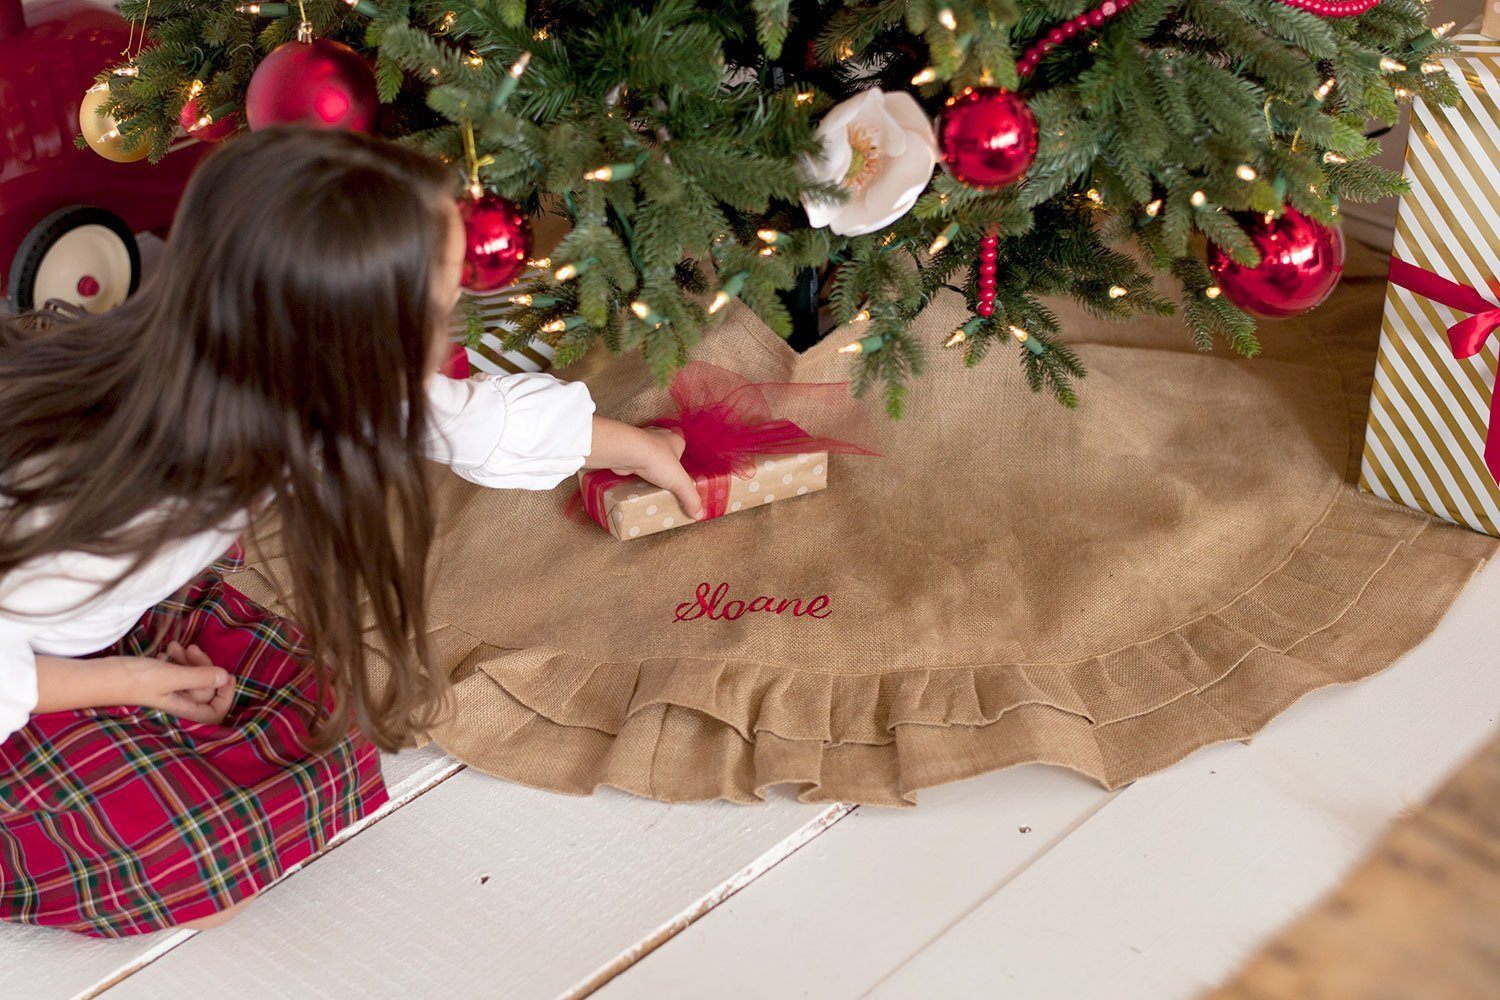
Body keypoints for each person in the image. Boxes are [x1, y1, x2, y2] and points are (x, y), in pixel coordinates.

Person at [0, 127, 704, 937]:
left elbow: (467, 422)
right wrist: (137, 683)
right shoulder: (113, 503)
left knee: (320, 724)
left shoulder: (268, 372)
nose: (447, 345)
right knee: (196, 857)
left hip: (88, 624)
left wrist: (641, 448)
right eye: (433, 322)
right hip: (27, 672)